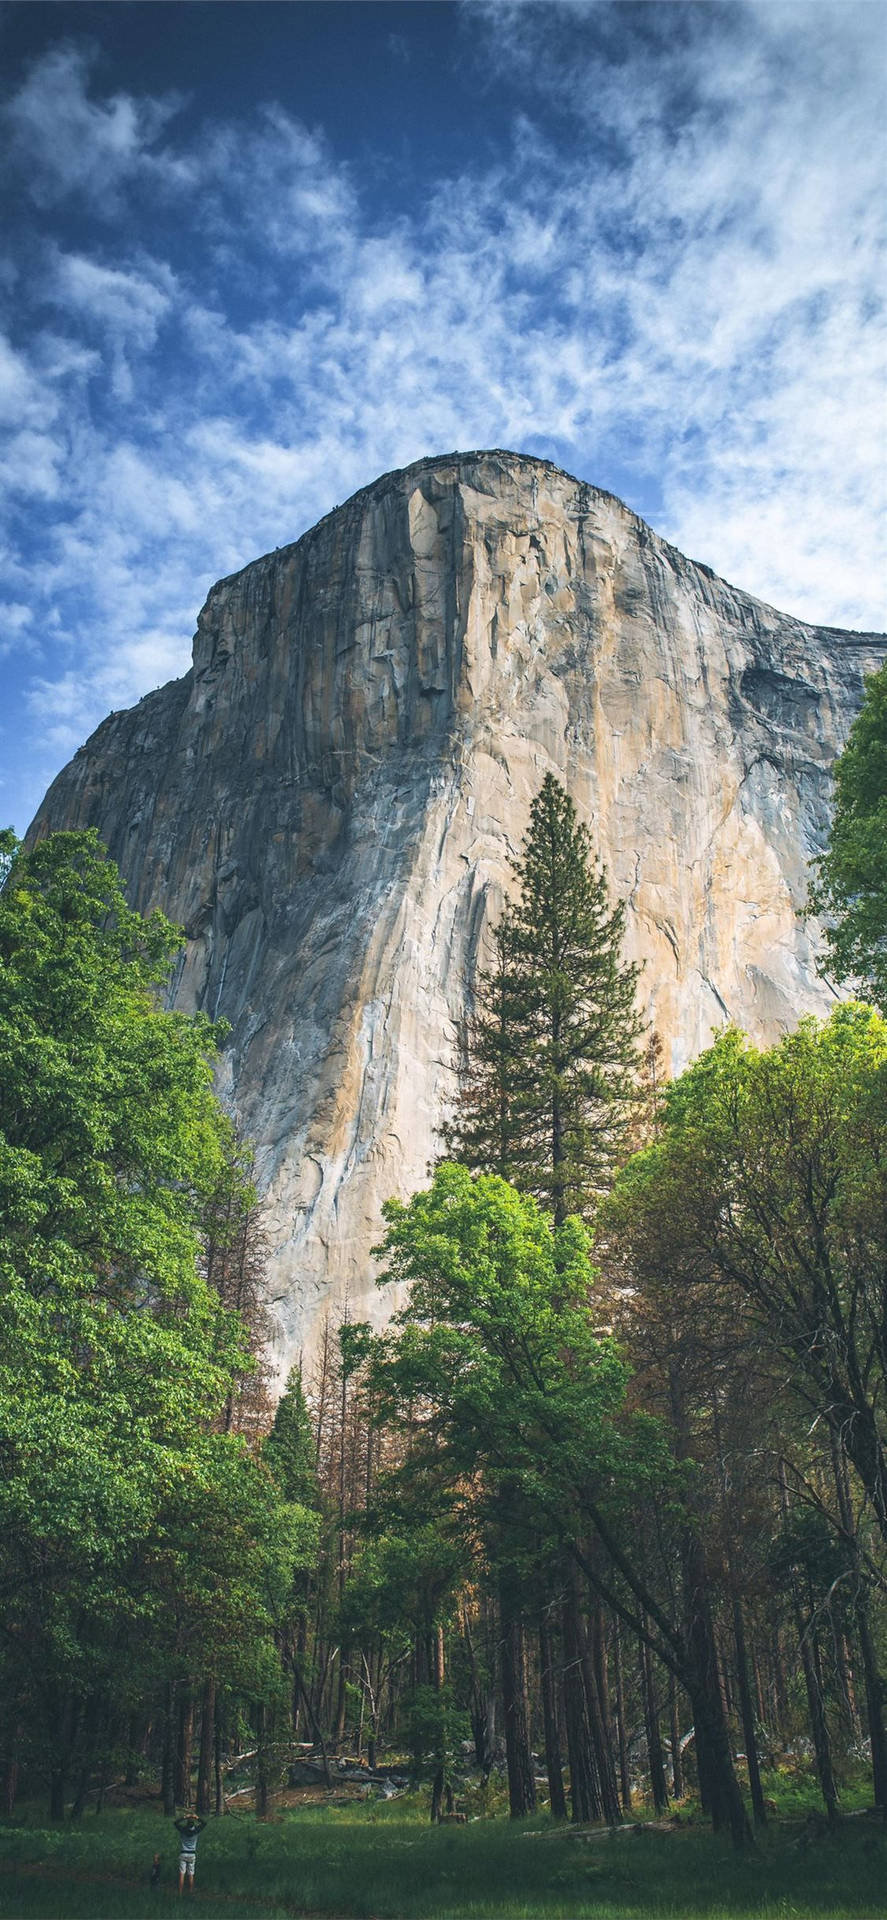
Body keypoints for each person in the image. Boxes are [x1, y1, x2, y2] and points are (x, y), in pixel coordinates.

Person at [173, 1813, 206, 1895]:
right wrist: (196, 1817)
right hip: (192, 1854)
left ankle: (180, 1893)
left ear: (187, 1825)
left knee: (182, 1873)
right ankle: (191, 1892)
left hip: (183, 1853)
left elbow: (175, 1823)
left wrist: (184, 1817)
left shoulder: (183, 1830)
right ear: (193, 1825)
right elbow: (204, 1823)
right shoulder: (196, 1831)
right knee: (191, 1874)